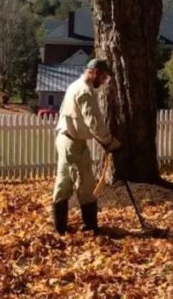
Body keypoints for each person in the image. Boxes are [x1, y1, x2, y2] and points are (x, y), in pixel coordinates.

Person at [51, 58, 121, 234]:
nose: (104, 81)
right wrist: (110, 142)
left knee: (64, 182)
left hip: (67, 139)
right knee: (85, 182)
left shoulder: (75, 86)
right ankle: (90, 227)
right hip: (72, 143)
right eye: (103, 77)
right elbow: (94, 123)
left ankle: (60, 228)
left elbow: (82, 121)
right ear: (94, 73)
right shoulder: (85, 92)